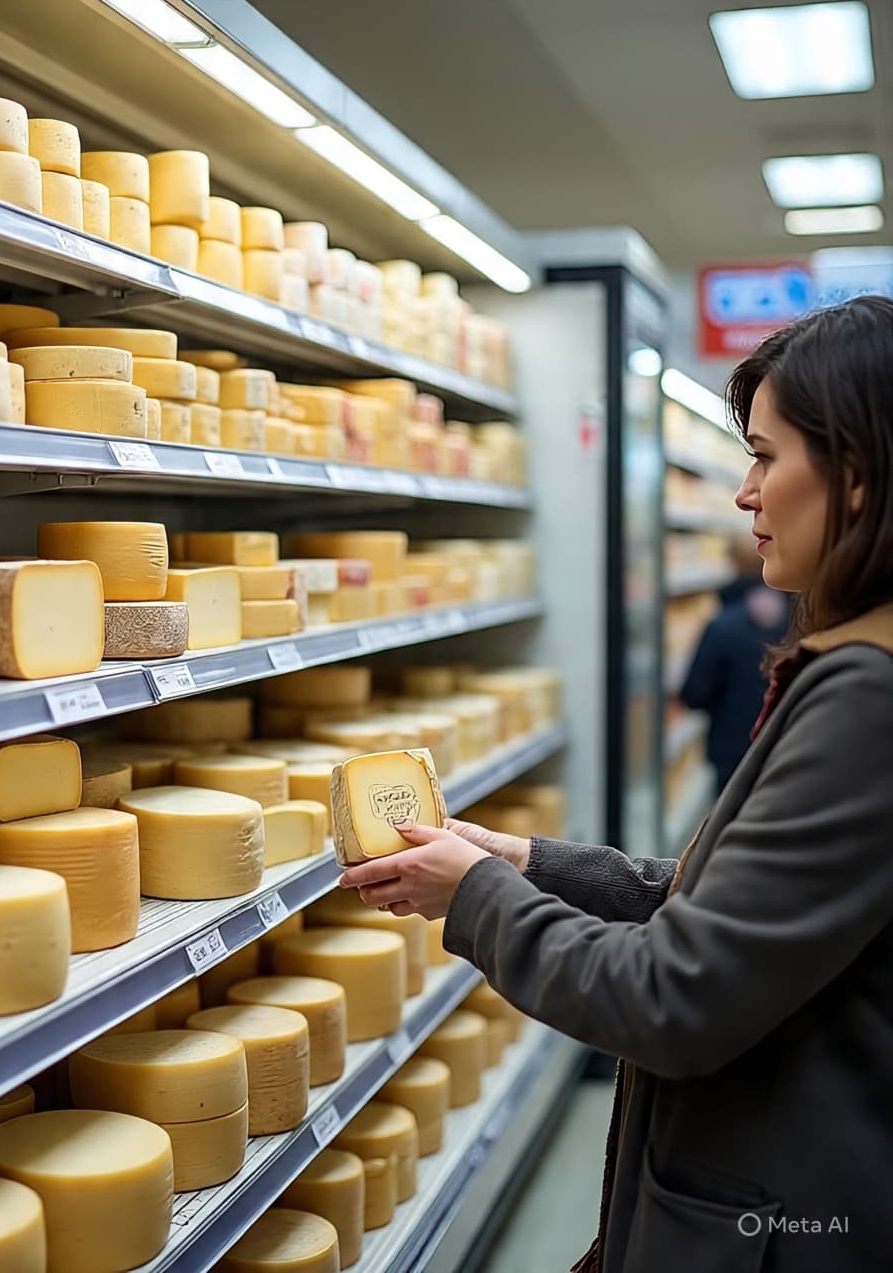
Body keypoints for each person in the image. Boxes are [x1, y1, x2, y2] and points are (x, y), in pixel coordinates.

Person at [339, 295, 893, 1273]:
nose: (743, 492)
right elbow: (728, 912)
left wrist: (469, 896)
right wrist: (524, 860)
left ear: (854, 474)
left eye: (766, 456)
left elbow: (669, 998)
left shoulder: (864, 697)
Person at [680, 536, 790, 789]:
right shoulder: (799, 618)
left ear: (734, 565)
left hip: (732, 754)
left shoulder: (722, 625)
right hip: (785, 747)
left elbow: (694, 693)